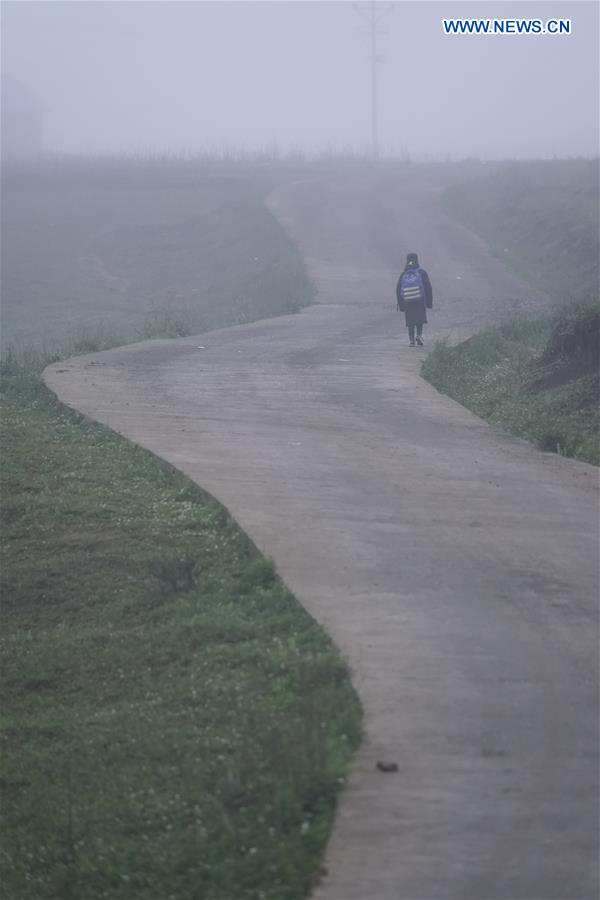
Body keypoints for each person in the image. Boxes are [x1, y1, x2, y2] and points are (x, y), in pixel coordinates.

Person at [396, 252, 433, 347]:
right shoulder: (422, 272)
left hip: (408, 301)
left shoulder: (403, 274)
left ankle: (411, 340)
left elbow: (398, 289)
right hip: (420, 300)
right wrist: (429, 303)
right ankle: (419, 336)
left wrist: (401, 306)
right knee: (419, 319)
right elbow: (428, 287)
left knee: (410, 321)